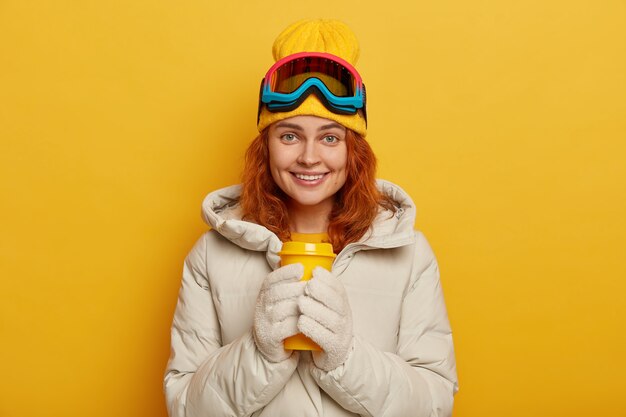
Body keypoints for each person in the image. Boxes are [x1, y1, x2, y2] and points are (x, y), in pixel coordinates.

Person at [164, 19, 458, 417]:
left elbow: (434, 405)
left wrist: (345, 358)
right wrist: (260, 351)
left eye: (330, 137)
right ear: (264, 146)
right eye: (289, 135)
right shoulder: (210, 255)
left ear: (354, 150)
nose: (308, 157)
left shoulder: (408, 254)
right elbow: (184, 407)